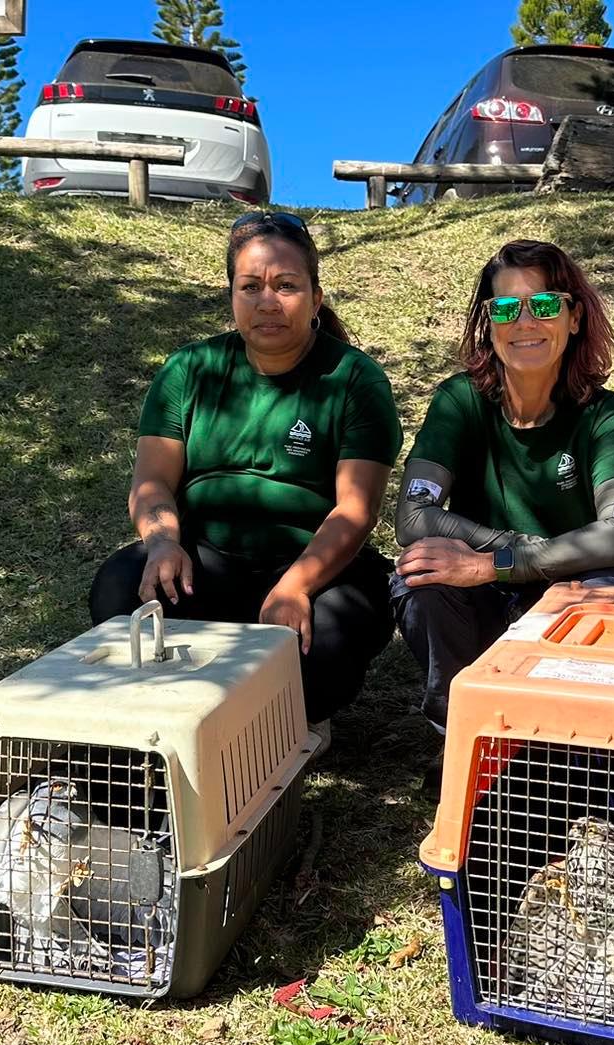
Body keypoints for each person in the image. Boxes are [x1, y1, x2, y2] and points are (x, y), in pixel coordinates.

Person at [88, 212, 402, 750]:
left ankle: (296, 720)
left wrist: (297, 585)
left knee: (329, 635)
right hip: (206, 557)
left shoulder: (354, 377)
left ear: (316, 296)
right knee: (120, 588)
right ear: (231, 294)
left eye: (286, 285)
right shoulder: (190, 369)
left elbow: (356, 509)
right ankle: (171, 717)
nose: (267, 301)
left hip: (318, 566)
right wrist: (163, 541)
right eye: (250, 286)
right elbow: (152, 481)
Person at [391, 239, 614, 732]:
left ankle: (571, 740)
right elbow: (413, 515)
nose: (525, 322)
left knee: (607, 587)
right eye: (506, 307)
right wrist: (518, 555)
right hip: (484, 598)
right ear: (489, 323)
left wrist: (497, 564)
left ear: (574, 318)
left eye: (545, 304)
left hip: (566, 594)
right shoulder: (459, 400)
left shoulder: (604, 416)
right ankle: (464, 731)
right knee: (417, 574)